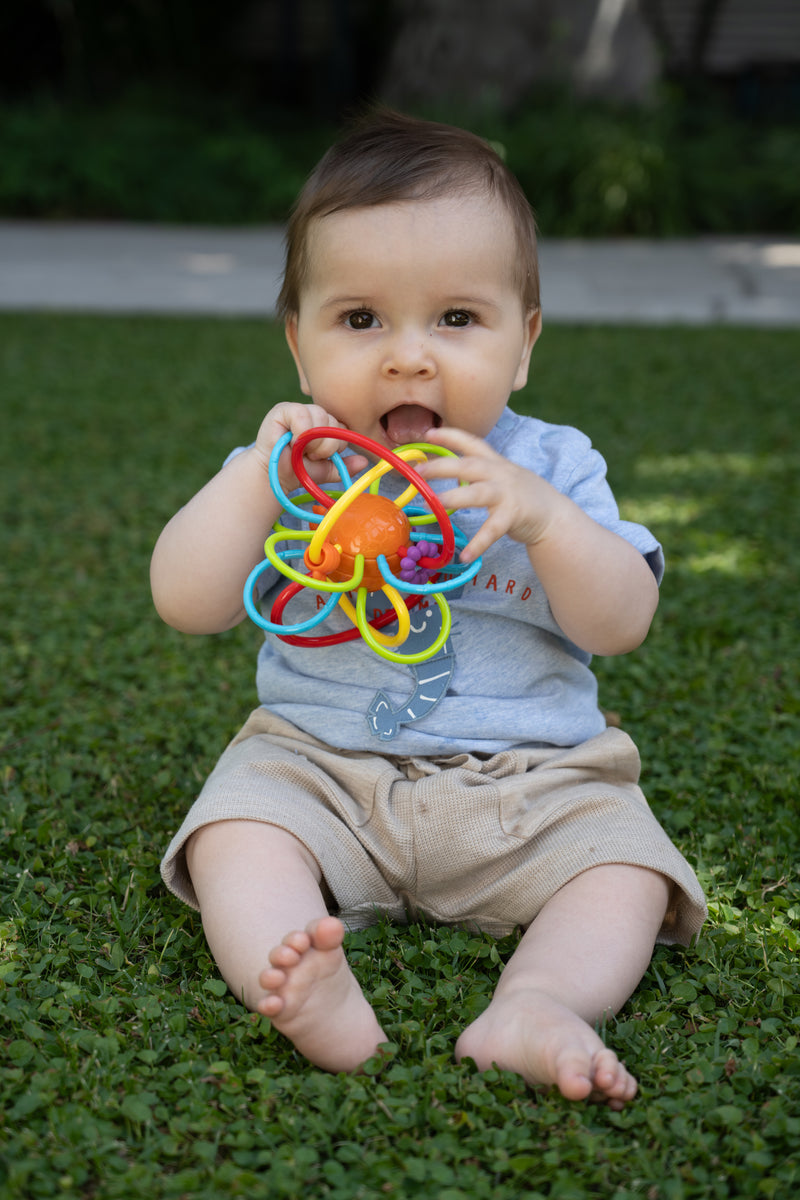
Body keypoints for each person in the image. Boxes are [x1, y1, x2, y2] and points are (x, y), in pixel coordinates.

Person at [151, 110, 706, 1108]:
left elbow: (619, 621)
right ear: (299, 343)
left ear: (523, 343)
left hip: (532, 784)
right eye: (360, 320)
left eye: (455, 320)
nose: (408, 358)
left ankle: (537, 1002)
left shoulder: (550, 466)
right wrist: (250, 480)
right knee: (233, 832)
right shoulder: (298, 465)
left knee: (624, 870)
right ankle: (299, 976)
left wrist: (542, 523)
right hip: (320, 771)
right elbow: (185, 602)